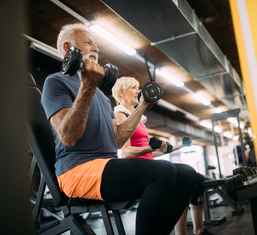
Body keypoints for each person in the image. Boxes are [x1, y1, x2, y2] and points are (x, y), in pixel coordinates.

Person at [41, 23, 198, 235]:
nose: (96, 48)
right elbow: (68, 137)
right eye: (88, 43)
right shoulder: (56, 82)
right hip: (76, 171)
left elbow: (117, 141)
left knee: (188, 175)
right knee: (162, 172)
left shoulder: (102, 98)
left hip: (106, 166)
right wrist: (88, 86)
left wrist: (142, 104)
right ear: (69, 48)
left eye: (96, 44)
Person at [112, 77, 213, 235]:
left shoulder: (139, 118)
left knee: (193, 179)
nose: (138, 92)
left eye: (138, 87)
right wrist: (149, 147)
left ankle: (196, 231)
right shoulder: (121, 114)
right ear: (121, 93)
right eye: (134, 87)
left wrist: (177, 146)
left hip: (150, 166)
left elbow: (150, 152)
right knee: (180, 176)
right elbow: (126, 151)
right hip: (137, 171)